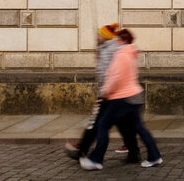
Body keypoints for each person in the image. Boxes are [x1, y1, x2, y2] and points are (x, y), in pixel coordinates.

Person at [80, 29, 162, 171]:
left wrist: (105, 92)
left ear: (124, 41)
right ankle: (154, 156)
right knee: (140, 129)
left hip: (121, 98)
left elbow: (116, 78)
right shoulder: (131, 53)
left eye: (118, 40)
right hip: (134, 96)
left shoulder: (121, 55)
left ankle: (95, 160)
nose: (116, 42)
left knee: (103, 126)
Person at [65, 23, 140, 163]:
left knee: (98, 125)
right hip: (111, 94)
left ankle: (85, 152)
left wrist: (105, 92)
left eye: (100, 34)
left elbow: (111, 73)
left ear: (105, 36)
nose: (97, 36)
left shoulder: (111, 49)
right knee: (122, 125)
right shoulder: (105, 48)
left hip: (111, 94)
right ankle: (133, 152)